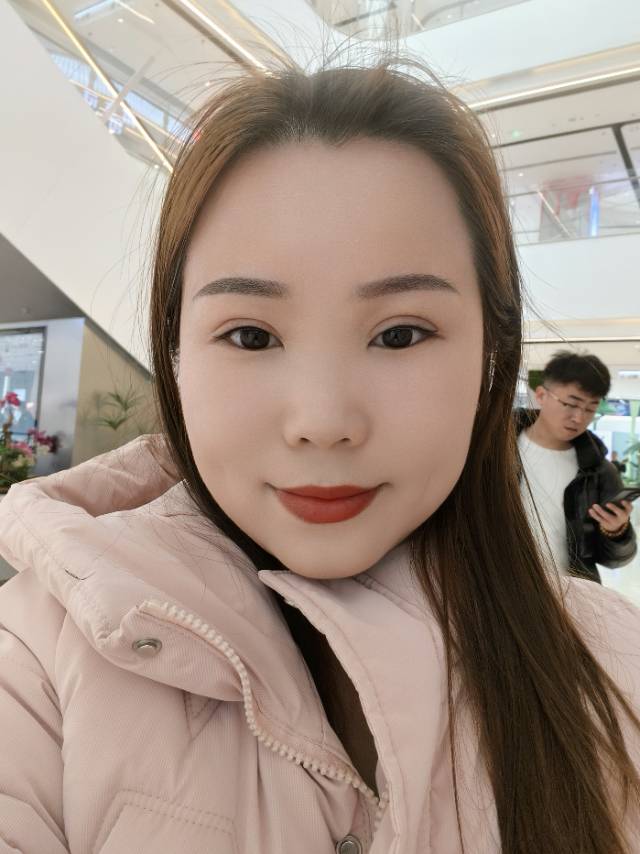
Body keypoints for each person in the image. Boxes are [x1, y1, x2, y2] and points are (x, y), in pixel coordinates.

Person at [1, 58, 640, 854]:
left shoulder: (613, 664)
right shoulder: (36, 656)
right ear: (176, 353)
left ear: (491, 352)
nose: (323, 423)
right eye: (250, 335)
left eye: (400, 334)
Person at [516, 351, 636, 584]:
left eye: (590, 408)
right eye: (571, 404)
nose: (579, 418)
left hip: (570, 593)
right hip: (499, 589)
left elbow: (614, 560)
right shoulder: (495, 453)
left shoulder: (599, 471)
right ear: (541, 395)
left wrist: (616, 531)